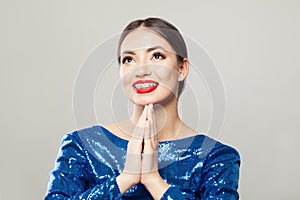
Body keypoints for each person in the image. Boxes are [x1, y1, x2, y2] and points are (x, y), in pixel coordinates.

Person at [45, 17, 240, 199]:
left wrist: (153, 180)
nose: (141, 70)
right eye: (129, 59)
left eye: (156, 56)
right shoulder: (82, 145)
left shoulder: (217, 157)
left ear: (182, 69)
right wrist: (125, 179)